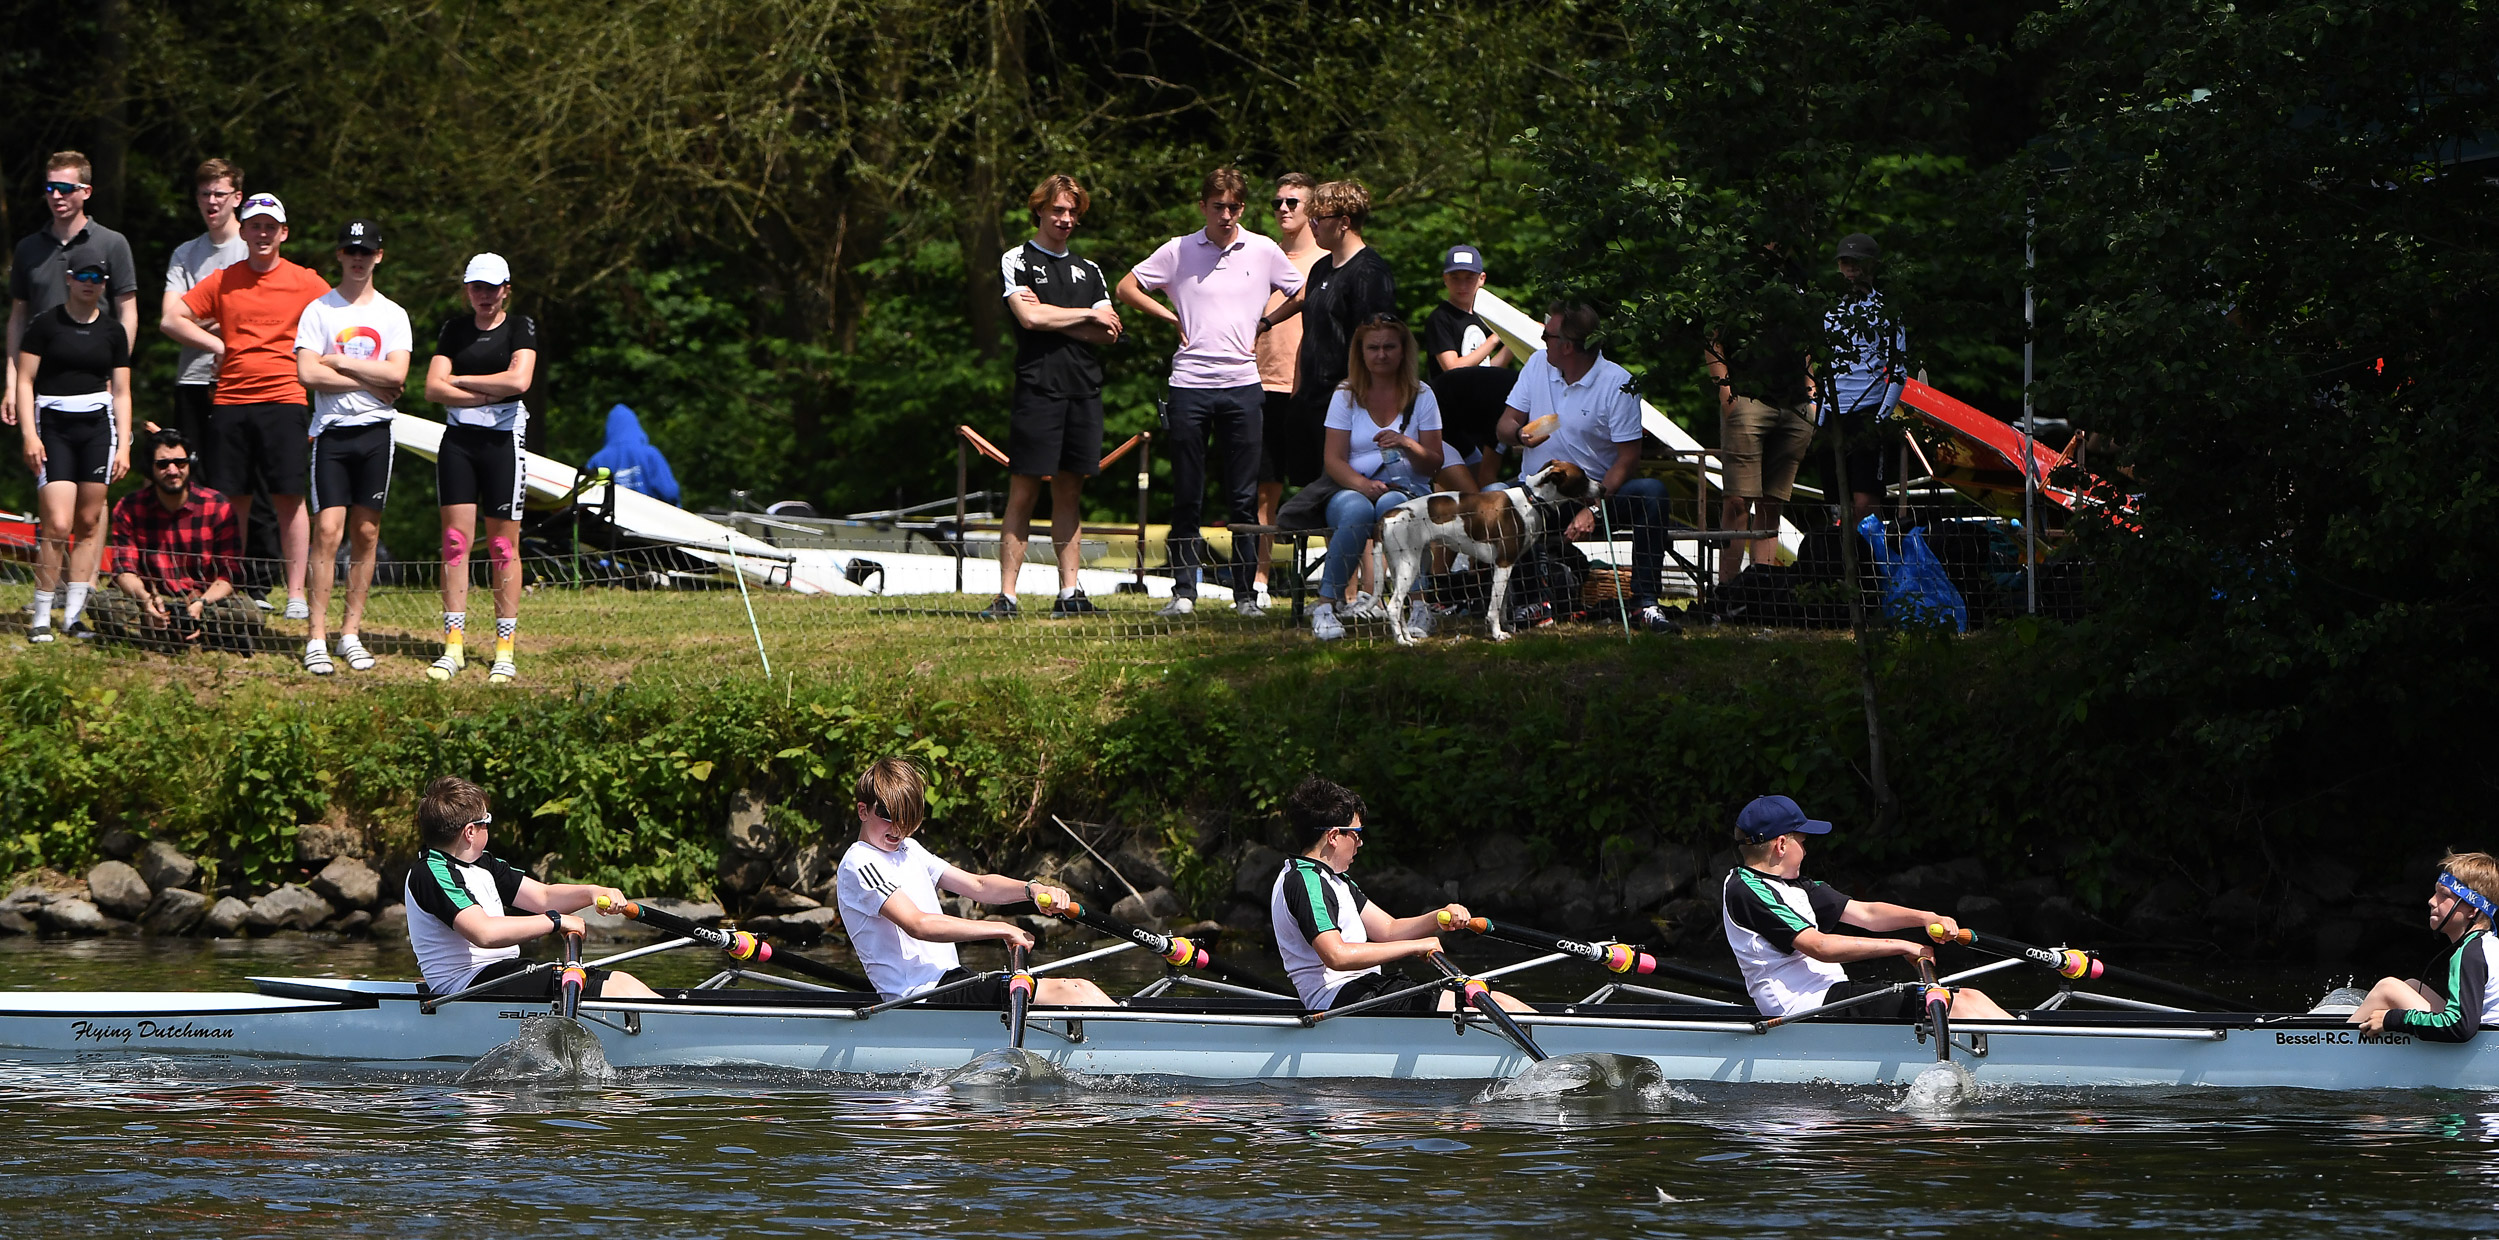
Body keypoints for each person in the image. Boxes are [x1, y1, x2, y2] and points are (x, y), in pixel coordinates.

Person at [1118, 167, 1306, 619]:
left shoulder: (1262, 249)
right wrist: (1169, 316)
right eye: (1218, 206)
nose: (1226, 215)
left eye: (1234, 207)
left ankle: (1245, 596)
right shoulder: (1178, 249)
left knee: (1243, 496)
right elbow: (1126, 286)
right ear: (1202, 205)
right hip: (1189, 386)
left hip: (1244, 386)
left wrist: (1266, 323)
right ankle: (1184, 590)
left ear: (1243, 208)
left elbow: (1303, 291)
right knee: (1188, 492)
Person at [833, 757, 1114, 1007]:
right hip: (919, 996)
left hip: (951, 983)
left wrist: (1032, 889)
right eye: (889, 817)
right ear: (863, 810)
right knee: (1075, 990)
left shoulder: (909, 849)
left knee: (1079, 991)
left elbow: (978, 885)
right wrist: (1001, 929)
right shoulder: (860, 863)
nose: (899, 829)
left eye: (909, 821)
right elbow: (917, 924)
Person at [163, 191, 327, 619]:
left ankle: (294, 593)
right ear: (245, 230)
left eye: (270, 227)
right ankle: (228, 587)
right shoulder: (225, 278)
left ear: (283, 233)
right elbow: (171, 318)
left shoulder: (306, 281)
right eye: (254, 225)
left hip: (286, 398)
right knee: (232, 499)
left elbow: (339, 318)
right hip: (232, 400)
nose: (261, 233)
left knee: (289, 498)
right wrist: (216, 342)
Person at [1719, 794, 2010, 1021]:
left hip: (1831, 998)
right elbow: (1820, 946)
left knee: (1972, 999)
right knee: (1963, 1005)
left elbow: (1867, 914)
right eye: (1803, 842)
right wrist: (1902, 946)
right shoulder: (1746, 890)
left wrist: (1925, 917)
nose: (1806, 851)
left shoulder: (1795, 885)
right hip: (1803, 1010)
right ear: (1782, 845)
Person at [981, 175, 1121, 620]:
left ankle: (1069, 592)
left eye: (1072, 212)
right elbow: (1028, 319)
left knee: (1070, 492)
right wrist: (1082, 316)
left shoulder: (1091, 269)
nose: (1065, 219)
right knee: (1023, 491)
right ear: (1039, 209)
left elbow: (1110, 331)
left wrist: (1055, 316)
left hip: (1084, 388)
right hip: (1038, 387)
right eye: (1058, 210)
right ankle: (1007, 595)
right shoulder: (1017, 259)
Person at [1490, 302, 1678, 631]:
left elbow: (1628, 458)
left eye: (1547, 335)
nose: (1541, 339)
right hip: (1539, 493)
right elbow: (1504, 425)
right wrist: (1519, 435)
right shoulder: (1537, 364)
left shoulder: (1619, 383)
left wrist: (1594, 508)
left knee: (1652, 492)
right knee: (1494, 494)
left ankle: (1645, 603)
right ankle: (1535, 603)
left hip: (1597, 492)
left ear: (1566, 346)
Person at [1270, 776, 1529, 1014]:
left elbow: (1389, 929)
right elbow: (1336, 955)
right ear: (1334, 836)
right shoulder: (1306, 882)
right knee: (1491, 1006)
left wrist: (1439, 917)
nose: (1360, 843)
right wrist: (1416, 946)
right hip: (1341, 1000)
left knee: (1501, 1002)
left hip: (1365, 991)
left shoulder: (1334, 880)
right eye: (1357, 834)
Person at [403, 775, 658, 1001]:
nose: (489, 827)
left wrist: (592, 892)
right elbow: (484, 933)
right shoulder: (430, 873)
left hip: (499, 976)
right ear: (470, 831)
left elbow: (543, 896)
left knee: (619, 982)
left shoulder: (483, 863)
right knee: (610, 989)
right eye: (487, 821)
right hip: (463, 989)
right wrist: (556, 922)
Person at [292, 219, 410, 675]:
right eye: (350, 251)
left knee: (366, 534)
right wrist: (366, 372)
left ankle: (350, 634)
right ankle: (316, 637)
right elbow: (308, 373)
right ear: (339, 255)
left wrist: (339, 360)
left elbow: (398, 376)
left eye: (366, 251)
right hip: (333, 432)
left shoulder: (393, 314)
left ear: (379, 255)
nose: (358, 259)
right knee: (328, 531)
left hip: (377, 432)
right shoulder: (319, 310)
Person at [423, 253, 537, 684]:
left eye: (492, 288)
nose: (484, 296)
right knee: (454, 542)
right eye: (476, 288)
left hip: (503, 442)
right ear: (467, 289)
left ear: (506, 288)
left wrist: (464, 382)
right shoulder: (454, 329)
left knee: (503, 547)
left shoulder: (520, 326)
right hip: (459, 442)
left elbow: (519, 382)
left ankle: (504, 649)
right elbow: (434, 388)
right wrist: (489, 387)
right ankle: (453, 645)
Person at [12, 260, 132, 642]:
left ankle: (75, 616)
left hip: (98, 425)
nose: (89, 284)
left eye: (97, 278)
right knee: (58, 524)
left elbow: (123, 391)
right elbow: (25, 380)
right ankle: (43, 614)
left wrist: (124, 443)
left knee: (90, 522)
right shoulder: (46, 325)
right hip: (53, 423)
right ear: (68, 280)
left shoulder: (113, 331)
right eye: (83, 276)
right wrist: (30, 435)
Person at [1311, 316, 1448, 642]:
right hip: (1351, 486)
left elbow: (1434, 464)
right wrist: (1361, 484)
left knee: (1395, 508)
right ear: (1361, 353)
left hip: (1408, 488)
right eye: (1373, 348)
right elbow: (1333, 459)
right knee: (1356, 510)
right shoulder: (1345, 395)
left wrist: (1407, 444)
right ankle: (1326, 606)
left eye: (1389, 347)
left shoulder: (1422, 395)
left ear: (1403, 351)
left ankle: (1418, 606)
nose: (1381, 354)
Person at [1262, 179, 1396, 495]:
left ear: (1344, 222)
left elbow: (1379, 348)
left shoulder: (1370, 273)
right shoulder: (1322, 268)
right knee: (1315, 496)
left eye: (1318, 219)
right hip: (1311, 402)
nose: (1313, 226)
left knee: (1347, 500)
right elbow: (1311, 334)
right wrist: (1297, 396)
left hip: (1349, 405)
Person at [5, 151, 139, 436]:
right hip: (41, 383)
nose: (56, 196)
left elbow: (128, 312)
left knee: (95, 475)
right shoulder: (28, 248)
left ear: (86, 191)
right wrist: (12, 382)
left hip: (95, 379)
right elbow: (18, 318)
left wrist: (115, 372)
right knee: (48, 473)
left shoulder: (112, 243)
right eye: (50, 188)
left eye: (65, 188)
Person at [91, 429, 261, 651]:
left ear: (190, 464)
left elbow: (229, 574)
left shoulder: (218, 505)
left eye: (180, 463)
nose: (172, 470)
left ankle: (160, 636)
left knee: (249, 614)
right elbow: (124, 569)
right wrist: (145, 600)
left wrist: (201, 603)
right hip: (150, 598)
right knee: (101, 605)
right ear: (150, 469)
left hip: (203, 601)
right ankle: (200, 638)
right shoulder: (129, 507)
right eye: (163, 465)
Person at [1706, 249, 1817, 584]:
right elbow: (1713, 335)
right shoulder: (1738, 269)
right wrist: (1726, 391)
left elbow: (1809, 339)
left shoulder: (1801, 271)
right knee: (1738, 502)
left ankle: (1762, 594)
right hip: (1748, 399)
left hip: (1795, 405)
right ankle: (1726, 593)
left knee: (1773, 505)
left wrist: (1811, 392)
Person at [1250, 172, 1324, 600]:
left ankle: (1342, 585)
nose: (1282, 209)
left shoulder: (1327, 260)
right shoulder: (1262, 256)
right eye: (1278, 201)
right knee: (1264, 486)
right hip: (1260, 383)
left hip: (1312, 389)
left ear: (1311, 208)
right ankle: (1260, 580)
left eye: (1292, 202)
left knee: (1328, 484)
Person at [2350, 853, 2499, 1041]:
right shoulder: (2489, 946)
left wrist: (2392, 1019)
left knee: (2387, 988)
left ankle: (2332, 1047)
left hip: (2481, 1048)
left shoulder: (2470, 954)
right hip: (2483, 1040)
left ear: (2472, 910)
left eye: (2444, 895)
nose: (2431, 901)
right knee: (2413, 986)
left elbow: (2461, 1026)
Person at [161, 159, 248, 464]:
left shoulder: (254, 250)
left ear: (237, 197)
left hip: (241, 380)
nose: (211, 202)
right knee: (191, 478)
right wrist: (222, 322)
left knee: (237, 478)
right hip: (192, 379)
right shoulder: (185, 254)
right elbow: (170, 320)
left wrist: (192, 320)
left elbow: (253, 318)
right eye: (204, 194)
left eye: (219, 194)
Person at [1821, 233, 1908, 523]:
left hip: (1868, 411)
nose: (1851, 269)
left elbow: (1898, 370)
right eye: (1846, 262)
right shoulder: (1827, 310)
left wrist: (1880, 417)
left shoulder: (1888, 311)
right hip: (1832, 413)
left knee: (1865, 502)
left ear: (1872, 265)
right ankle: (1840, 564)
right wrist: (1818, 410)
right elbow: (1816, 361)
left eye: (1857, 262)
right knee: (1834, 503)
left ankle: (1868, 564)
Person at [1423, 244, 1517, 490]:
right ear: (1445, 279)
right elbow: (1453, 369)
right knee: (1467, 493)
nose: (1463, 285)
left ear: (1482, 279)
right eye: (1455, 278)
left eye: (1469, 278)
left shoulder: (1485, 318)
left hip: (1480, 420)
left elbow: (1487, 370)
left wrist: (1512, 341)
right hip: (1446, 421)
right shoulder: (1440, 318)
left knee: (1482, 487)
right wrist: (1495, 339)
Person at [582, 403, 680, 506]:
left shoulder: (598, 460)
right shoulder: (650, 454)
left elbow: (587, 494)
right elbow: (670, 492)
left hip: (611, 518)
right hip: (649, 517)